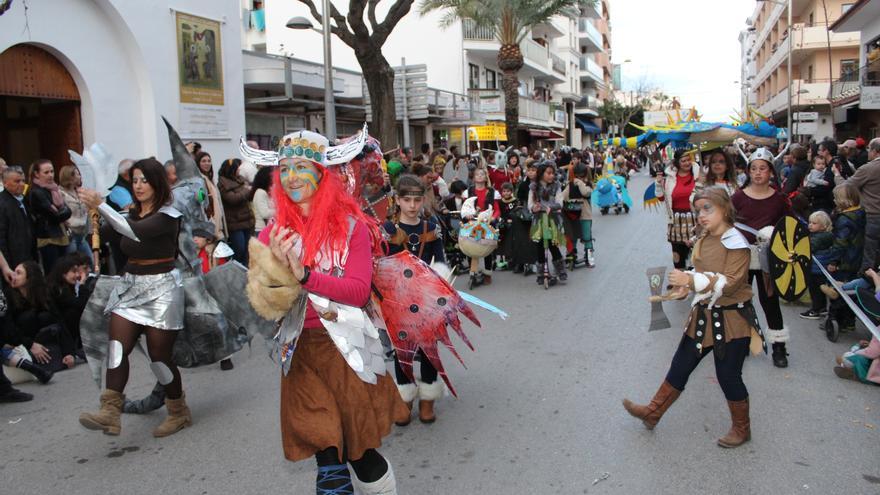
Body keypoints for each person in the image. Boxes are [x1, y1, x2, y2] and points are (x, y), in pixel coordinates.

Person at [247, 129, 405, 494]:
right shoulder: (273, 231)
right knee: (326, 452)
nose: (292, 177)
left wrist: (304, 275)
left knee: (359, 454)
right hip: (301, 352)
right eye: (284, 169)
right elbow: (265, 303)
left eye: (302, 167)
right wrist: (269, 277)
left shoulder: (352, 228)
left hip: (347, 353)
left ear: (323, 173)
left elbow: (356, 290)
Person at [623, 186, 762, 448]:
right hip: (702, 316)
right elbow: (703, 273)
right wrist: (684, 288)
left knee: (728, 376)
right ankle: (653, 413)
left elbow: (731, 283)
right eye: (697, 210)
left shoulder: (737, 242)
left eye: (707, 209)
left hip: (732, 321)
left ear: (725, 208)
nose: (701, 215)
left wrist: (691, 279)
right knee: (680, 366)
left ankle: (742, 429)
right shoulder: (705, 238)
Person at [77, 158, 191, 438]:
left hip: (163, 289)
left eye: (144, 180)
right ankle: (110, 412)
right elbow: (99, 233)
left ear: (157, 183)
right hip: (130, 287)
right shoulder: (129, 213)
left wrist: (102, 206)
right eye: (135, 180)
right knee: (117, 347)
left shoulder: (168, 214)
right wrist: (89, 213)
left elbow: (136, 233)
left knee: (159, 357)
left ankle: (177, 411)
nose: (138, 186)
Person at [382, 175, 445, 426]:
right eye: (406, 199)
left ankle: (428, 399)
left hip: (428, 299)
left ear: (423, 200)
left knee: (429, 351)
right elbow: (381, 263)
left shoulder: (431, 227)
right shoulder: (388, 230)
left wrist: (438, 286)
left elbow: (440, 260)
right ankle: (404, 397)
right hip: (397, 301)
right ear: (397, 200)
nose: (412, 205)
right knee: (402, 352)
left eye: (417, 200)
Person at [731, 148, 792, 368]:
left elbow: (789, 227)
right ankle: (743, 342)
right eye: (754, 169)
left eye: (763, 169)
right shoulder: (738, 197)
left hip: (768, 257)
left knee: (770, 301)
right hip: (742, 256)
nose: (758, 173)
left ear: (771, 172)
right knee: (741, 300)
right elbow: (727, 224)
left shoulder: (779, 199)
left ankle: (778, 347)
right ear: (748, 171)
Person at [6, 260, 75, 372]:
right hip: (22, 345)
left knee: (45, 316)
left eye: (18, 273)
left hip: (48, 344)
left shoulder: (43, 294)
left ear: (30, 277)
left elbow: (61, 323)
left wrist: (69, 353)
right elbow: (10, 330)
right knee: (27, 317)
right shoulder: (8, 297)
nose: (13, 276)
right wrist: (31, 345)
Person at [834, 137, 880, 274]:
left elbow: (846, 187)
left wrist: (836, 175)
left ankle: (867, 288)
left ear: (875, 151)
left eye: (869, 150)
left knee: (869, 254)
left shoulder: (869, 168)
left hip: (872, 216)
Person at [655, 149, 699, 270]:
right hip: (676, 220)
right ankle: (679, 282)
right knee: (678, 254)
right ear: (677, 163)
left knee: (696, 252)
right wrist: (659, 184)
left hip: (695, 218)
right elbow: (660, 197)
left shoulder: (698, 175)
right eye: (683, 161)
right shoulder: (669, 178)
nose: (686, 163)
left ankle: (694, 280)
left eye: (688, 160)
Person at [26, 159, 71, 272]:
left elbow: (67, 210)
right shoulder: (36, 192)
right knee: (53, 271)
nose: (50, 175)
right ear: (37, 174)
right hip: (48, 237)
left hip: (60, 234)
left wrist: (64, 211)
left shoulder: (53, 188)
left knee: (65, 270)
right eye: (46, 172)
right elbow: (55, 215)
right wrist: (65, 211)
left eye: (52, 171)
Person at [529, 161, 567, 286]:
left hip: (551, 219)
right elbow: (530, 204)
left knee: (552, 243)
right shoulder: (534, 187)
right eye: (549, 173)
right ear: (541, 174)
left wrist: (552, 207)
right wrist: (534, 207)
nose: (551, 176)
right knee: (539, 245)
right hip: (539, 220)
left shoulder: (556, 186)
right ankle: (541, 273)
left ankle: (560, 269)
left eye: (553, 173)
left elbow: (560, 202)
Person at [48, 253, 93, 355]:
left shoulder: (67, 286)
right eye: (73, 272)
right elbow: (82, 305)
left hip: (66, 328)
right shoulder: (58, 289)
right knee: (74, 313)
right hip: (59, 330)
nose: (77, 275)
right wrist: (81, 284)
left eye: (78, 271)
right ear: (63, 273)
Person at [0, 166, 37, 281]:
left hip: (28, 257)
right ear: (5, 183)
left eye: (23, 181)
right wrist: (7, 265)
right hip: (13, 261)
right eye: (17, 181)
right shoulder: (2, 204)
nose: (21, 184)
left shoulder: (23, 199)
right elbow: (1, 237)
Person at [217, 158, 254, 265]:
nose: (239, 171)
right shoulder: (222, 184)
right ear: (231, 169)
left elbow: (248, 196)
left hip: (246, 221)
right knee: (239, 249)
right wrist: (246, 190)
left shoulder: (240, 179)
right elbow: (233, 199)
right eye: (237, 168)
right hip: (235, 223)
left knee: (247, 251)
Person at [801, 211, 835, 320]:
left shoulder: (819, 238)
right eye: (810, 222)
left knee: (815, 290)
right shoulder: (823, 235)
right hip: (820, 267)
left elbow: (809, 248)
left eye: (814, 223)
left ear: (823, 225)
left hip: (817, 267)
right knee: (820, 289)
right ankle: (822, 308)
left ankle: (815, 310)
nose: (810, 225)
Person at [58, 165, 92, 267]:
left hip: (82, 234)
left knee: (90, 262)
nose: (80, 176)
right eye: (77, 174)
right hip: (71, 234)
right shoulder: (61, 193)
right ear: (70, 177)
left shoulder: (80, 192)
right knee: (72, 264)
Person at [562, 163, 595, 267]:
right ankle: (581, 257)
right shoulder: (575, 184)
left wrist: (579, 184)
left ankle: (581, 256)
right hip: (579, 213)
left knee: (580, 236)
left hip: (579, 214)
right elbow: (585, 193)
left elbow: (585, 193)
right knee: (580, 236)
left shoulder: (576, 184)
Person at [195, 151, 226, 241]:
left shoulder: (210, 179)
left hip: (217, 222)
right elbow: (200, 199)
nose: (207, 163)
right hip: (209, 223)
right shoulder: (199, 180)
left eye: (209, 161)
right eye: (203, 161)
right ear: (198, 163)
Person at [251, 166, 275, 236]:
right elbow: (265, 214)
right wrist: (280, 211)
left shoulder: (263, 191)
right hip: (262, 229)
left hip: (264, 229)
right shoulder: (260, 192)